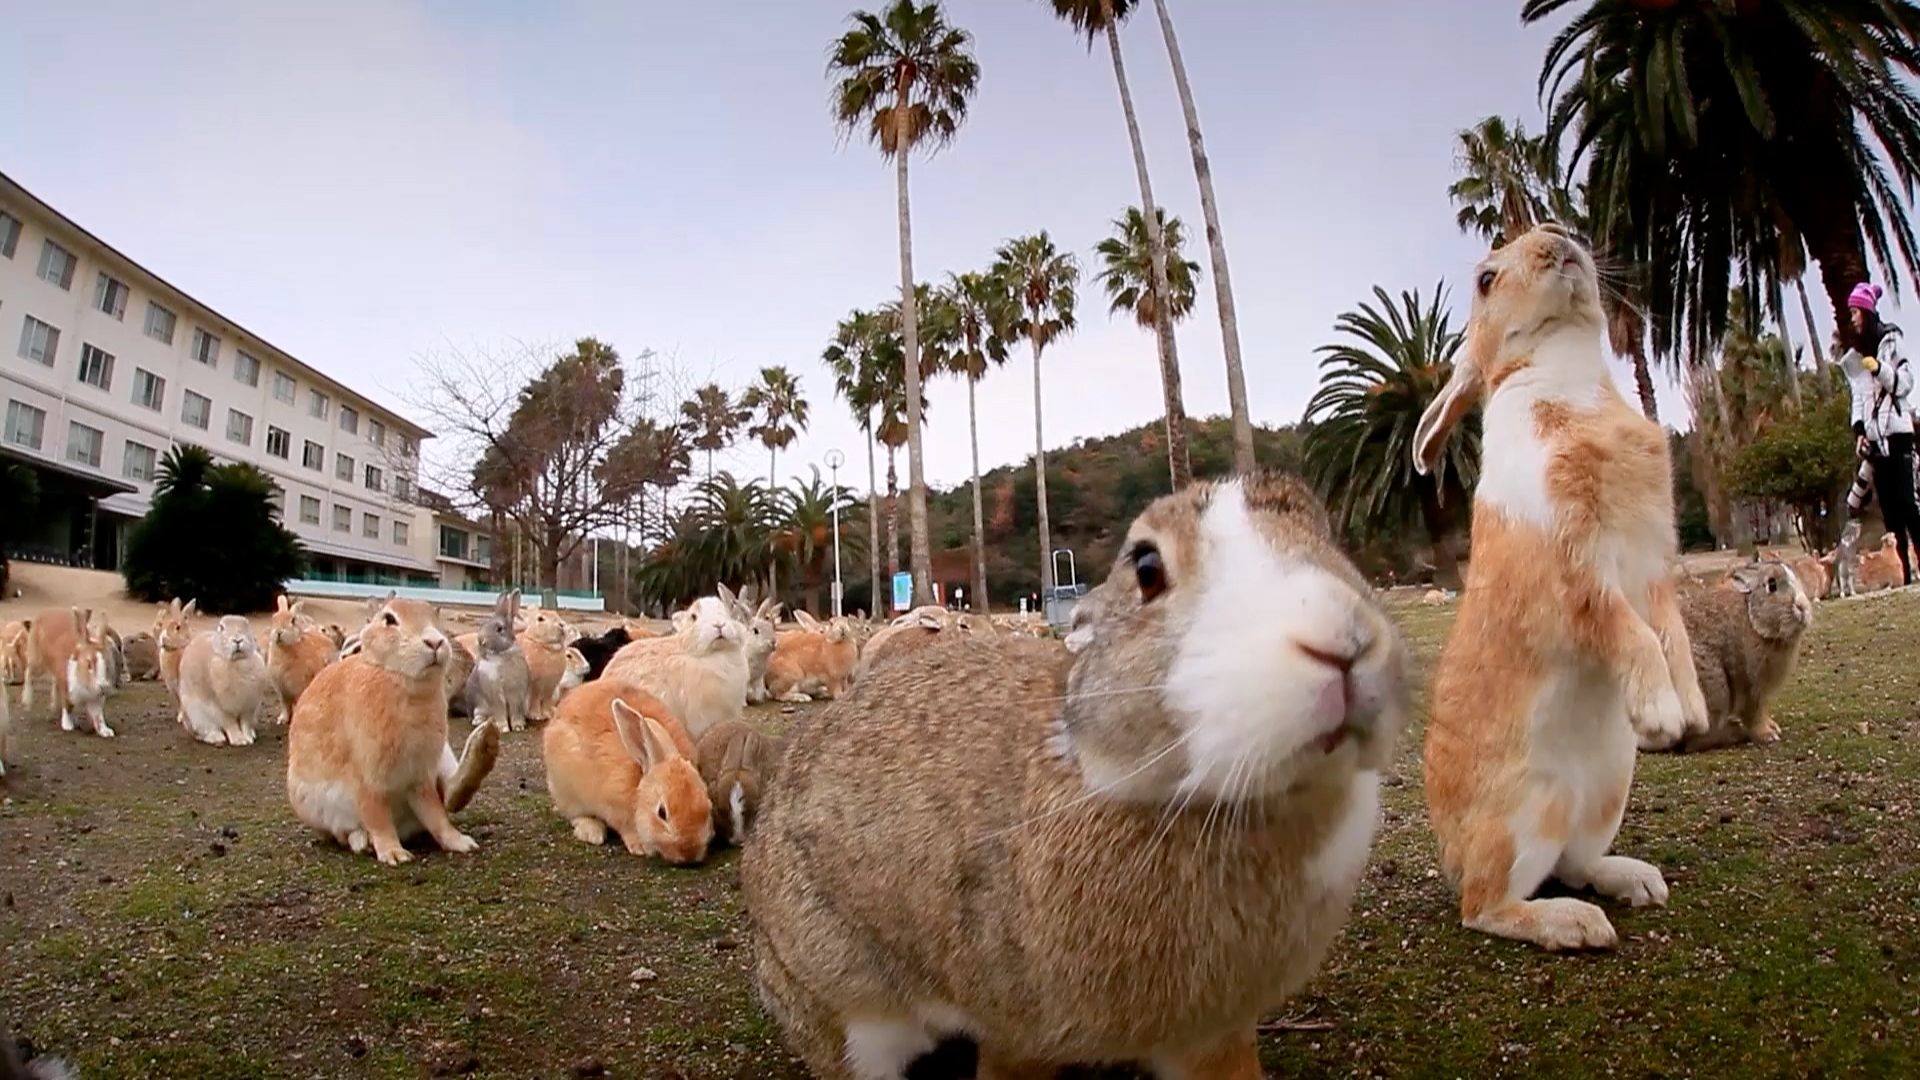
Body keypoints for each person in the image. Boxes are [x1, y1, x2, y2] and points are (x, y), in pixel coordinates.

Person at [1841, 281, 1917, 585]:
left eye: (1855, 312)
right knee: (1891, 514)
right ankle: (1904, 573)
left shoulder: (1892, 340)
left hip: (1898, 435)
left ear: (1867, 311)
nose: (1852, 318)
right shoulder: (1855, 356)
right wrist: (1859, 431)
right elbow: (1859, 398)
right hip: (1875, 441)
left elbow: (1905, 383)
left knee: (1909, 505)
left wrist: (1879, 369)